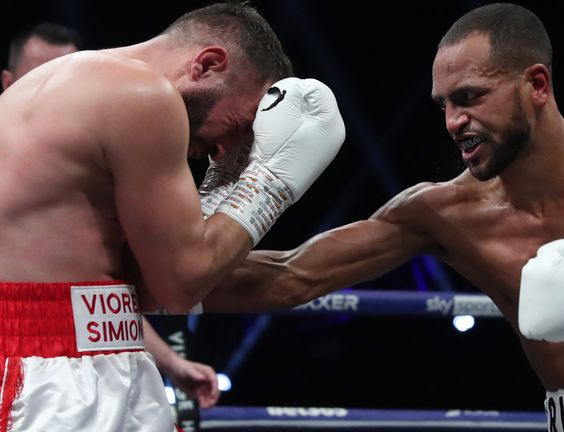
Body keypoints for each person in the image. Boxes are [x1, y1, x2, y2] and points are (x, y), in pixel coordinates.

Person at [204, 3, 564, 430]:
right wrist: (152, 269)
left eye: (470, 97)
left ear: (537, 85)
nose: (453, 121)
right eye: (444, 104)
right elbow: (291, 275)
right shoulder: (444, 211)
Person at [0, 2, 345, 431]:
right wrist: (269, 181)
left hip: (92, 357)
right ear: (209, 63)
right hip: (45, 368)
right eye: (243, 123)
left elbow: (143, 285)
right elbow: (181, 284)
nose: (231, 149)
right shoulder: (143, 95)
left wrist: (225, 181)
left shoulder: (80, 80)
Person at [2, 20, 221, 411]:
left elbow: (92, 298)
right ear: (10, 81)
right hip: (27, 359)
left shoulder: (95, 155)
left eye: (69, 71)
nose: (59, 83)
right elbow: (181, 282)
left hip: (106, 360)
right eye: (43, 73)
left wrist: (171, 362)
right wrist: (266, 184)